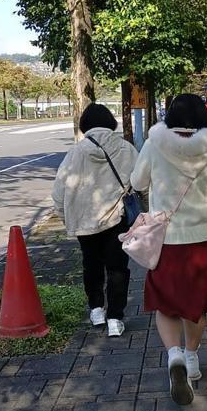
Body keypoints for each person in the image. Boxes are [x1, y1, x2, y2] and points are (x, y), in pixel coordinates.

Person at [130, 94, 207, 405]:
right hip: (202, 239)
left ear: (170, 114)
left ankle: (174, 356)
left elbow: (138, 181)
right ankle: (192, 358)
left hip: (166, 240)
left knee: (166, 302)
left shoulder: (154, 142)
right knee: (195, 304)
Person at [52, 103, 137, 337]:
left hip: (84, 221)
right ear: (111, 122)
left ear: (84, 125)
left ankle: (97, 309)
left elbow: (59, 192)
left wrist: (66, 217)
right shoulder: (126, 148)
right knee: (118, 268)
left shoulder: (76, 152)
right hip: (116, 218)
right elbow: (140, 182)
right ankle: (115, 319)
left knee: (91, 265)